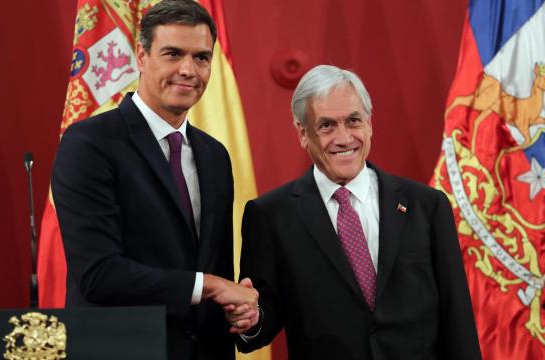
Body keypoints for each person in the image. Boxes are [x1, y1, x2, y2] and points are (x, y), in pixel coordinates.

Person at [51, 1, 257, 359]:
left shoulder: (214, 156)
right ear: (141, 56)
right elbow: (99, 274)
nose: (188, 70)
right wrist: (207, 286)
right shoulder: (89, 144)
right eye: (173, 54)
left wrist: (241, 309)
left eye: (201, 57)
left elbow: (218, 270)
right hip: (123, 350)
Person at [234, 65, 481, 359]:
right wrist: (250, 319)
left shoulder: (426, 206)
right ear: (302, 132)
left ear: (369, 124)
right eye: (326, 125)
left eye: (353, 121)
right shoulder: (271, 215)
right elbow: (262, 316)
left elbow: (457, 317)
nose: (344, 138)